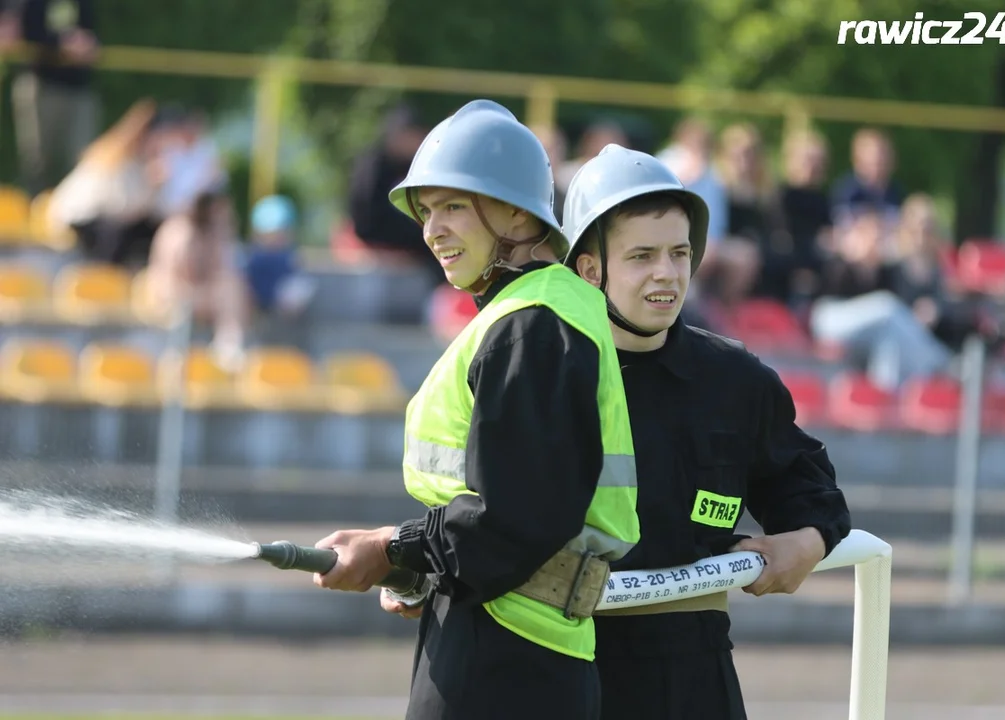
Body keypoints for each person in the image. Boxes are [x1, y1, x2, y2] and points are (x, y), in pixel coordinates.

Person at [310, 100, 640, 720]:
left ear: (519, 214)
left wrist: (393, 549)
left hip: (505, 658)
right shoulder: (538, 311)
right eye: (426, 211)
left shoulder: (533, 324)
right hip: (516, 635)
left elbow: (511, 517)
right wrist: (426, 569)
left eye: (454, 205)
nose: (432, 229)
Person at [561, 144, 852, 720]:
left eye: (679, 253)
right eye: (642, 255)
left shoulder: (734, 378)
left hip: (697, 673)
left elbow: (810, 488)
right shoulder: (546, 378)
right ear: (590, 269)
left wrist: (807, 541)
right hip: (567, 666)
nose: (667, 274)